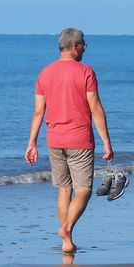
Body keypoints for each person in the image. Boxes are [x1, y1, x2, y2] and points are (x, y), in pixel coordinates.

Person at [25, 28, 113, 255]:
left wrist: (31, 143)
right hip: (80, 139)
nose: (84, 48)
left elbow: (38, 112)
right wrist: (107, 142)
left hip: (54, 140)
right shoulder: (86, 72)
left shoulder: (45, 73)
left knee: (64, 189)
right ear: (75, 46)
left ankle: (67, 241)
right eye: (83, 44)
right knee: (83, 190)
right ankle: (67, 229)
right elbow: (96, 109)